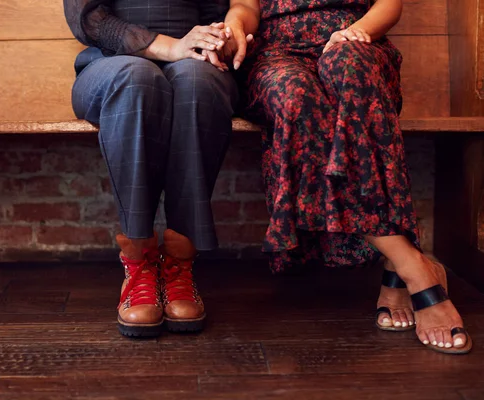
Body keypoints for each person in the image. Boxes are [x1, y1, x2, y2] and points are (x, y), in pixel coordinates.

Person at [213, 0, 472, 354]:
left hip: (354, 41)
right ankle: (410, 263)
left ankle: (402, 264)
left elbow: (389, 5)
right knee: (295, 96)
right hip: (277, 55)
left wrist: (360, 30)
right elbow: (245, 6)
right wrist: (235, 28)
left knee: (350, 67)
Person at [62, 0, 258, 337]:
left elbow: (221, 11)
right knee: (137, 79)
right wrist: (171, 47)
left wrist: (219, 39)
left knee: (198, 85)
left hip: (194, 61)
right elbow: (91, 21)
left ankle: (179, 264)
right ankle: (139, 263)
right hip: (112, 63)